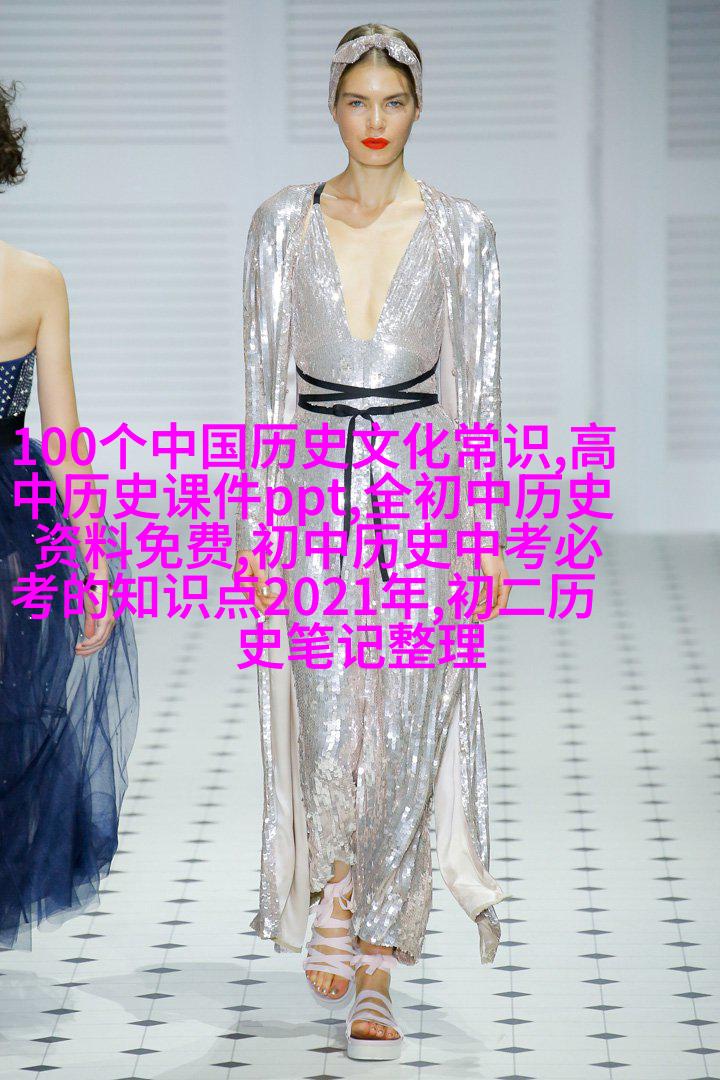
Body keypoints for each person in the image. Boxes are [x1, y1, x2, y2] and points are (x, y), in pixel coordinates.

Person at [235, 24, 512, 1061]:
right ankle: (336, 889)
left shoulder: (462, 231)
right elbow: (264, 382)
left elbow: (479, 391)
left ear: (418, 107)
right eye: (358, 100)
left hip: (423, 506)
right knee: (324, 716)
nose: (376, 121)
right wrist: (257, 522)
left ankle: (380, 967)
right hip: (312, 497)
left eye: (393, 101)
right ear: (333, 107)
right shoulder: (282, 224)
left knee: (405, 730)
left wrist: (487, 535)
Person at [0, 80, 139, 949]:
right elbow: (66, 440)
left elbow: (66, 438)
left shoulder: (39, 281)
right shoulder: (33, 281)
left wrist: (94, 564)